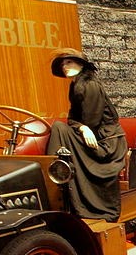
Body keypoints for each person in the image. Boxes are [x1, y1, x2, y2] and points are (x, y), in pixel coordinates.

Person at [47, 48, 127, 221]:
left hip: (107, 142)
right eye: (63, 64)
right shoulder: (75, 85)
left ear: (81, 64)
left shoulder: (90, 85)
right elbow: (73, 118)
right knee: (60, 128)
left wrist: (83, 127)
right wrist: (81, 128)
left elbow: (92, 120)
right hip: (90, 133)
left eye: (69, 62)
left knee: (60, 128)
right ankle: (56, 174)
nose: (65, 67)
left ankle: (60, 176)